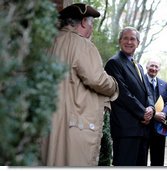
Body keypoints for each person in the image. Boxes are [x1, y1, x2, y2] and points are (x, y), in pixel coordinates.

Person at [40, 3, 118, 166]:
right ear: (83, 22)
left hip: (46, 126)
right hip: (74, 128)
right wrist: (114, 85)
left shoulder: (47, 45)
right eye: (91, 24)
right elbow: (97, 79)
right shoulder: (82, 44)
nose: (91, 29)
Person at [104, 26, 155, 166]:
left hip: (143, 130)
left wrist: (151, 107)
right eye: (125, 38)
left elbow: (148, 91)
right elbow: (123, 93)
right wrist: (143, 112)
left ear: (138, 43)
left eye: (132, 39)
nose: (129, 42)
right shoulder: (114, 63)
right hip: (126, 130)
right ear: (119, 41)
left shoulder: (139, 66)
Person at [144, 58, 167, 166]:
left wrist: (164, 113)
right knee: (141, 158)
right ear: (146, 67)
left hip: (159, 128)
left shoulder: (164, 84)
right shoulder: (141, 81)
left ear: (159, 69)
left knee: (158, 160)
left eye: (156, 66)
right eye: (151, 66)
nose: (154, 68)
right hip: (144, 126)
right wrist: (154, 115)